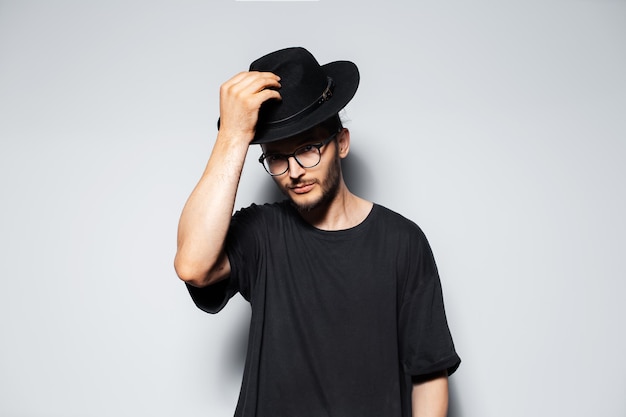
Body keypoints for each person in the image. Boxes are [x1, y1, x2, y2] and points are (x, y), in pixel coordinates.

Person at [174, 47, 461, 417]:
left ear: (341, 142)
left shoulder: (402, 242)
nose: (293, 171)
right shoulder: (261, 232)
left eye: (308, 148)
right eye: (276, 157)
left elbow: (428, 372)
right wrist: (232, 135)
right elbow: (193, 265)